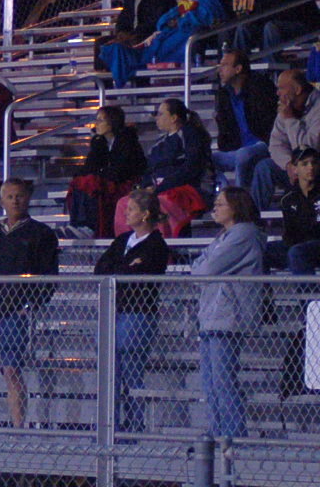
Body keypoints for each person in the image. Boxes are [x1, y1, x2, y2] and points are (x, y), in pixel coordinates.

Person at [0, 179, 59, 429]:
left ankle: (17, 429)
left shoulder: (41, 234)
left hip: (14, 313)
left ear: (28, 198)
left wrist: (29, 305)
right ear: (2, 200)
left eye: (20, 196)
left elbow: (49, 276)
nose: (15, 200)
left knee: (12, 371)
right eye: (10, 196)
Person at [92, 188, 170, 433]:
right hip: (113, 311)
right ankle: (110, 425)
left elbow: (141, 275)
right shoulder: (122, 240)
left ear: (145, 214)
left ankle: (135, 424)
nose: (126, 214)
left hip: (138, 313)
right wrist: (126, 267)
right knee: (109, 372)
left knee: (132, 371)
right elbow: (101, 268)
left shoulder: (156, 244)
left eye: (132, 210)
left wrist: (121, 268)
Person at [190, 186, 265, 440]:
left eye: (221, 204)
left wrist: (204, 269)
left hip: (228, 315)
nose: (215, 208)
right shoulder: (223, 236)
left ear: (235, 206)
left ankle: (233, 435)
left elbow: (207, 268)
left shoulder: (243, 233)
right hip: (211, 313)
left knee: (223, 380)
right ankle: (217, 431)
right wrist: (203, 268)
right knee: (210, 383)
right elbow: (198, 268)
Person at [100, 0, 226, 87]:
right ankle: (105, 87)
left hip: (159, 33)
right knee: (102, 44)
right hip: (146, 33)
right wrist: (121, 33)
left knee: (165, 43)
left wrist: (179, 21)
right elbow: (173, 13)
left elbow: (203, 16)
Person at [122, 97, 213, 237]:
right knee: (124, 203)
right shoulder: (159, 143)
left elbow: (191, 168)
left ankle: (164, 248)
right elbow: (148, 170)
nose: (156, 118)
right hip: (158, 189)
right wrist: (145, 187)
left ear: (174, 118)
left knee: (160, 203)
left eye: (161, 114)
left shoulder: (191, 135)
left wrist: (160, 187)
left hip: (186, 190)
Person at [66, 105, 146, 238]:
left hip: (125, 182)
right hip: (108, 180)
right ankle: (78, 224)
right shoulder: (100, 142)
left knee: (91, 182)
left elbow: (122, 169)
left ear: (112, 122)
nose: (96, 124)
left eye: (100, 120)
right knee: (80, 181)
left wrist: (99, 175)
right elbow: (89, 167)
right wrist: (97, 145)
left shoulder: (127, 140)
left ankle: (88, 226)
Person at [210, 49, 278, 206]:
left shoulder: (260, 87)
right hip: (238, 148)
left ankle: (241, 206)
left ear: (238, 69)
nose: (220, 69)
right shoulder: (224, 93)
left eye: (225, 65)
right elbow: (224, 127)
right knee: (208, 160)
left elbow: (268, 123)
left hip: (264, 144)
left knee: (243, 156)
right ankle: (227, 197)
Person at [265, 69, 320, 203]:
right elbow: (275, 144)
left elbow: (307, 150)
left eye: (281, 88)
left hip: (315, 166)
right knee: (264, 167)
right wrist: (289, 164)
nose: (278, 93)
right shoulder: (287, 107)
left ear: (297, 89)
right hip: (294, 167)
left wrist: (290, 120)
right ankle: (251, 218)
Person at [278, 147, 320, 274]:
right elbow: (289, 233)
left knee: (297, 252)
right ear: (294, 168)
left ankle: (307, 293)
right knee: (261, 250)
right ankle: (262, 293)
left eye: (314, 163)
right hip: (299, 245)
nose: (311, 167)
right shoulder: (288, 198)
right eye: (304, 164)